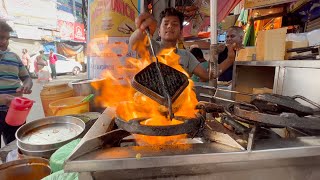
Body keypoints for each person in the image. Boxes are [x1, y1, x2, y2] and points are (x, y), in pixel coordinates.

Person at [129, 8, 209, 81]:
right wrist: (142, 29)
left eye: (174, 24)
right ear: (159, 31)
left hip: (178, 96)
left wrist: (218, 61)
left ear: (181, 33)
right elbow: (134, 43)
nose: (170, 26)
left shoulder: (187, 56)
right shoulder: (151, 47)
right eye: (166, 24)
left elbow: (206, 75)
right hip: (147, 96)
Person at [0, 20, 33, 147]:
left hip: (16, 111)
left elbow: (27, 78)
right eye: (0, 37)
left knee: (16, 147)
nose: (4, 42)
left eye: (7, 38)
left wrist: (26, 85)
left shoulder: (14, 57)